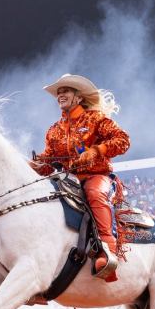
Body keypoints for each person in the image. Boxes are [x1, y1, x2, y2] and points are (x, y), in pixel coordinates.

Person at [31, 74, 131, 281]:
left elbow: (122, 140)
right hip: (67, 179)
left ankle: (108, 252)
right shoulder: (54, 130)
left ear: (78, 97)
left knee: (94, 194)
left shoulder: (95, 118)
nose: (60, 95)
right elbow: (49, 162)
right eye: (59, 92)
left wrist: (96, 151)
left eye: (65, 91)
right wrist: (36, 165)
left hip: (96, 175)